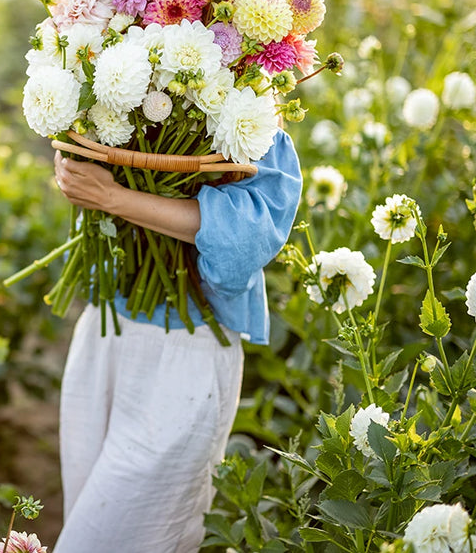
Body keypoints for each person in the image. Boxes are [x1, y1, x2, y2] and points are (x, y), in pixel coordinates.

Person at [49, 128, 302, 552]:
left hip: (187, 352)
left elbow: (247, 237)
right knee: (84, 514)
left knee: (107, 541)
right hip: (103, 330)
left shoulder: (256, 119)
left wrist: (113, 198)